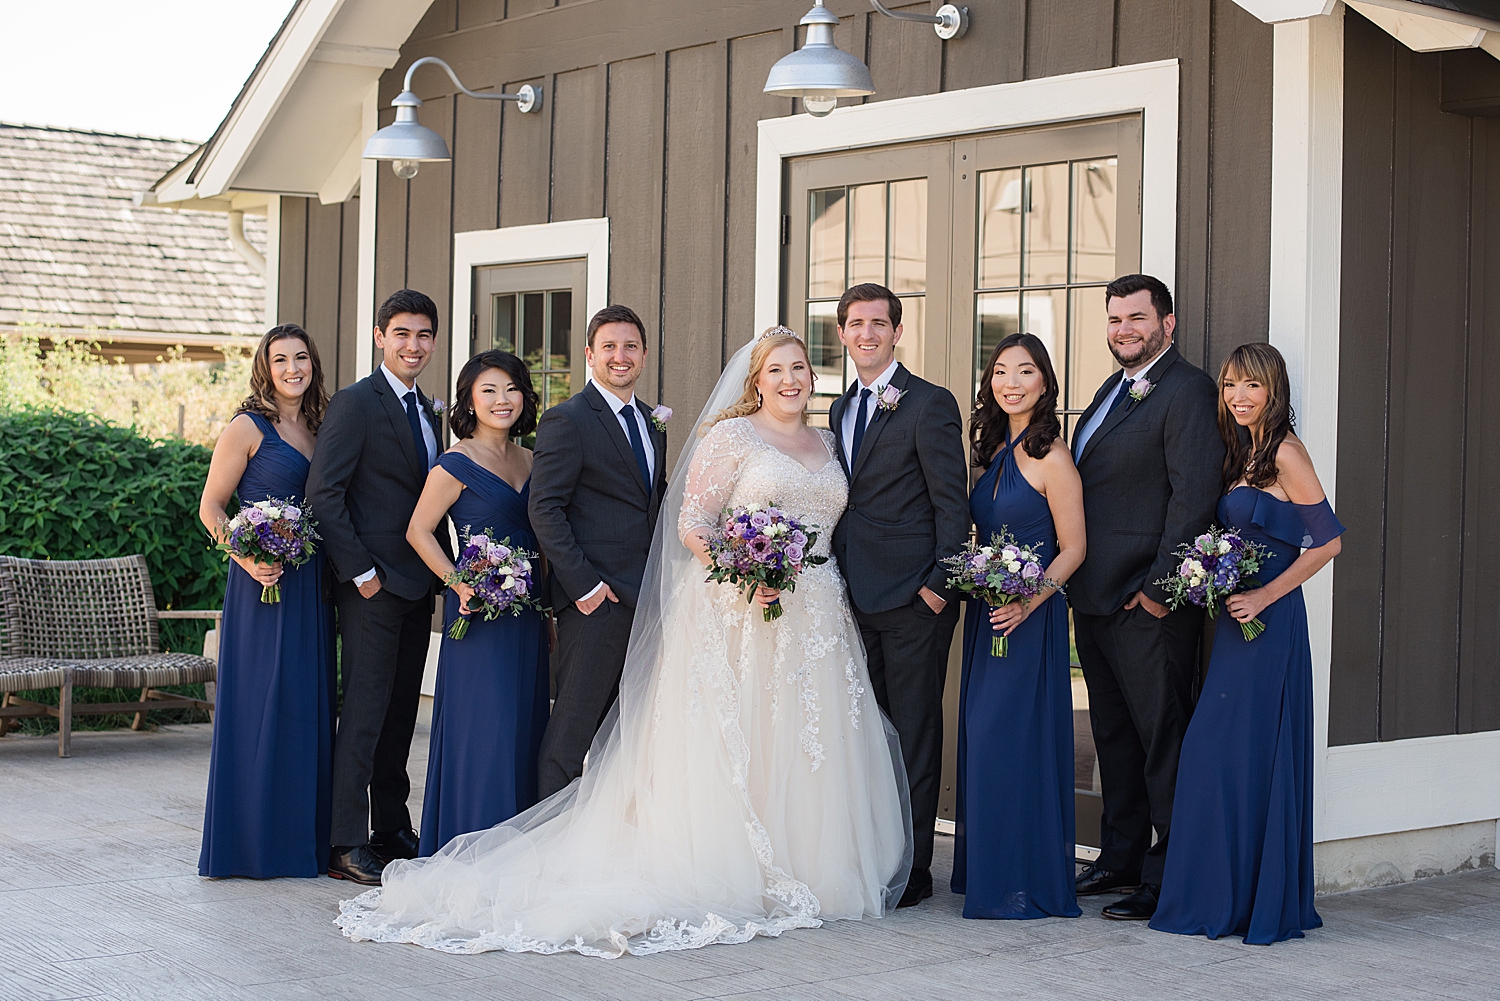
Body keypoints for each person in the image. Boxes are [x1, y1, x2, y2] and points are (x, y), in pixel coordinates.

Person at [335, 327, 912, 958]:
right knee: (728, 733)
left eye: (799, 367)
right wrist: (745, 569)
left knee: (805, 740)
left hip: (818, 612)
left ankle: (807, 862)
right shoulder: (728, 435)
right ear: (756, 380)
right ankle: (728, 862)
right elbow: (691, 520)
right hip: (741, 605)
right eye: (776, 369)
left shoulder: (828, 442)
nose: (790, 379)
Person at [1151, 342, 1342, 944]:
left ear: (1273, 391)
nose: (1237, 396)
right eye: (1230, 385)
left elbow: (1329, 541)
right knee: (1222, 756)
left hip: (1270, 628)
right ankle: (1230, 896)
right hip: (1236, 627)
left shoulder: (1286, 451)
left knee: (1229, 752)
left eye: (1251, 386)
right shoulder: (1243, 453)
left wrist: (1264, 596)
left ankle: (1255, 900)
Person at [1068, 274, 1225, 921]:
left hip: (1147, 605)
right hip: (1096, 599)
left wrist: (1160, 593)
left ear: (1169, 322)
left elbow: (1193, 498)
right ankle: (1121, 856)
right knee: (1115, 738)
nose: (1124, 329)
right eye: (1114, 319)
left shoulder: (1187, 391)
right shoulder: (1111, 388)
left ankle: (1167, 875)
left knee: (1164, 741)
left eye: (1136, 318)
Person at [827, 283, 970, 908]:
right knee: (868, 734)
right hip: (854, 598)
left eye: (878, 324)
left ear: (896, 331)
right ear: (842, 334)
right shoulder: (836, 409)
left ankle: (913, 868)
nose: (866, 334)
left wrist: (939, 589)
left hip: (915, 602)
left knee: (913, 732)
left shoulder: (928, 404)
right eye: (855, 324)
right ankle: (876, 854)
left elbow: (951, 502)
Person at [307, 290, 449, 886]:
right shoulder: (355, 403)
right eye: (402, 334)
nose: (412, 346)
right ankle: (345, 843)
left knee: (398, 716)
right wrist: (361, 572)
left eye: (422, 335)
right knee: (363, 712)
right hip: (371, 587)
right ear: (379, 337)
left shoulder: (429, 411)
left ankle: (391, 827)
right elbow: (324, 494)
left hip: (417, 589)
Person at [951, 333, 1085, 920]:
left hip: (1029, 617)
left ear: (1044, 383)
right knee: (983, 739)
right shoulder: (992, 448)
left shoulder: (1053, 455)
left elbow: (1074, 548)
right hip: (990, 613)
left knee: (1006, 739)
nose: (1010, 382)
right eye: (1000, 371)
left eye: (1024, 371)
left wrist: (1029, 603)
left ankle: (1020, 880)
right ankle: (991, 869)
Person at [197, 324, 335, 878]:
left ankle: (302, 841)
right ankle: (250, 845)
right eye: (281, 360)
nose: (293, 369)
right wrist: (249, 560)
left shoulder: (323, 427)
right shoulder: (246, 427)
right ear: (265, 367)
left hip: (310, 585)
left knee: (305, 706)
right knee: (261, 706)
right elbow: (211, 507)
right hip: (261, 584)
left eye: (301, 357)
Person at [406, 351, 550, 857]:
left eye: (511, 388)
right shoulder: (455, 462)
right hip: (477, 617)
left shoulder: (533, 460)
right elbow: (418, 530)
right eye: (488, 390)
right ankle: (470, 843)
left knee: (522, 729)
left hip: (527, 617)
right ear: (470, 398)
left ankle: (517, 849)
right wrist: (458, 582)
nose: (501, 399)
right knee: (483, 731)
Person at [528, 305, 667, 799]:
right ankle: (544, 847)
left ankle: (597, 843)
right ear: (589, 355)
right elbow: (544, 509)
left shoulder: (653, 422)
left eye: (630, 346)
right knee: (570, 736)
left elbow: (653, 504)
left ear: (645, 355)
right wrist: (583, 585)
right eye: (608, 346)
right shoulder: (567, 419)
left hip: (645, 601)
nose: (620, 356)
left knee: (621, 738)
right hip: (596, 603)